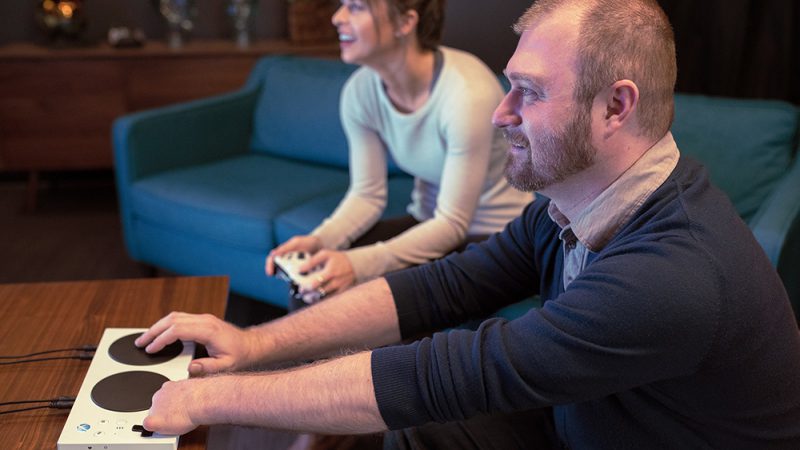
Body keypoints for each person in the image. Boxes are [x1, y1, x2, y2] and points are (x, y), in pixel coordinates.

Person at [136, 0, 800, 448]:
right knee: (418, 430)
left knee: (430, 397)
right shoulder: (567, 207)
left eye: (530, 93)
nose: (499, 113)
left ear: (614, 108)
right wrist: (250, 347)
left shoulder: (672, 274)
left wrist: (206, 401)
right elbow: (443, 288)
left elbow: (455, 370)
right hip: (594, 412)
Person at [265, 0, 531, 303]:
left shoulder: (467, 94)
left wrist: (356, 265)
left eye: (356, 7)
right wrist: (320, 240)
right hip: (428, 222)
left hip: (491, 236)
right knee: (314, 283)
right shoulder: (360, 91)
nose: (337, 18)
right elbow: (367, 195)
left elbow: (454, 223)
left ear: (406, 22)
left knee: (374, 303)